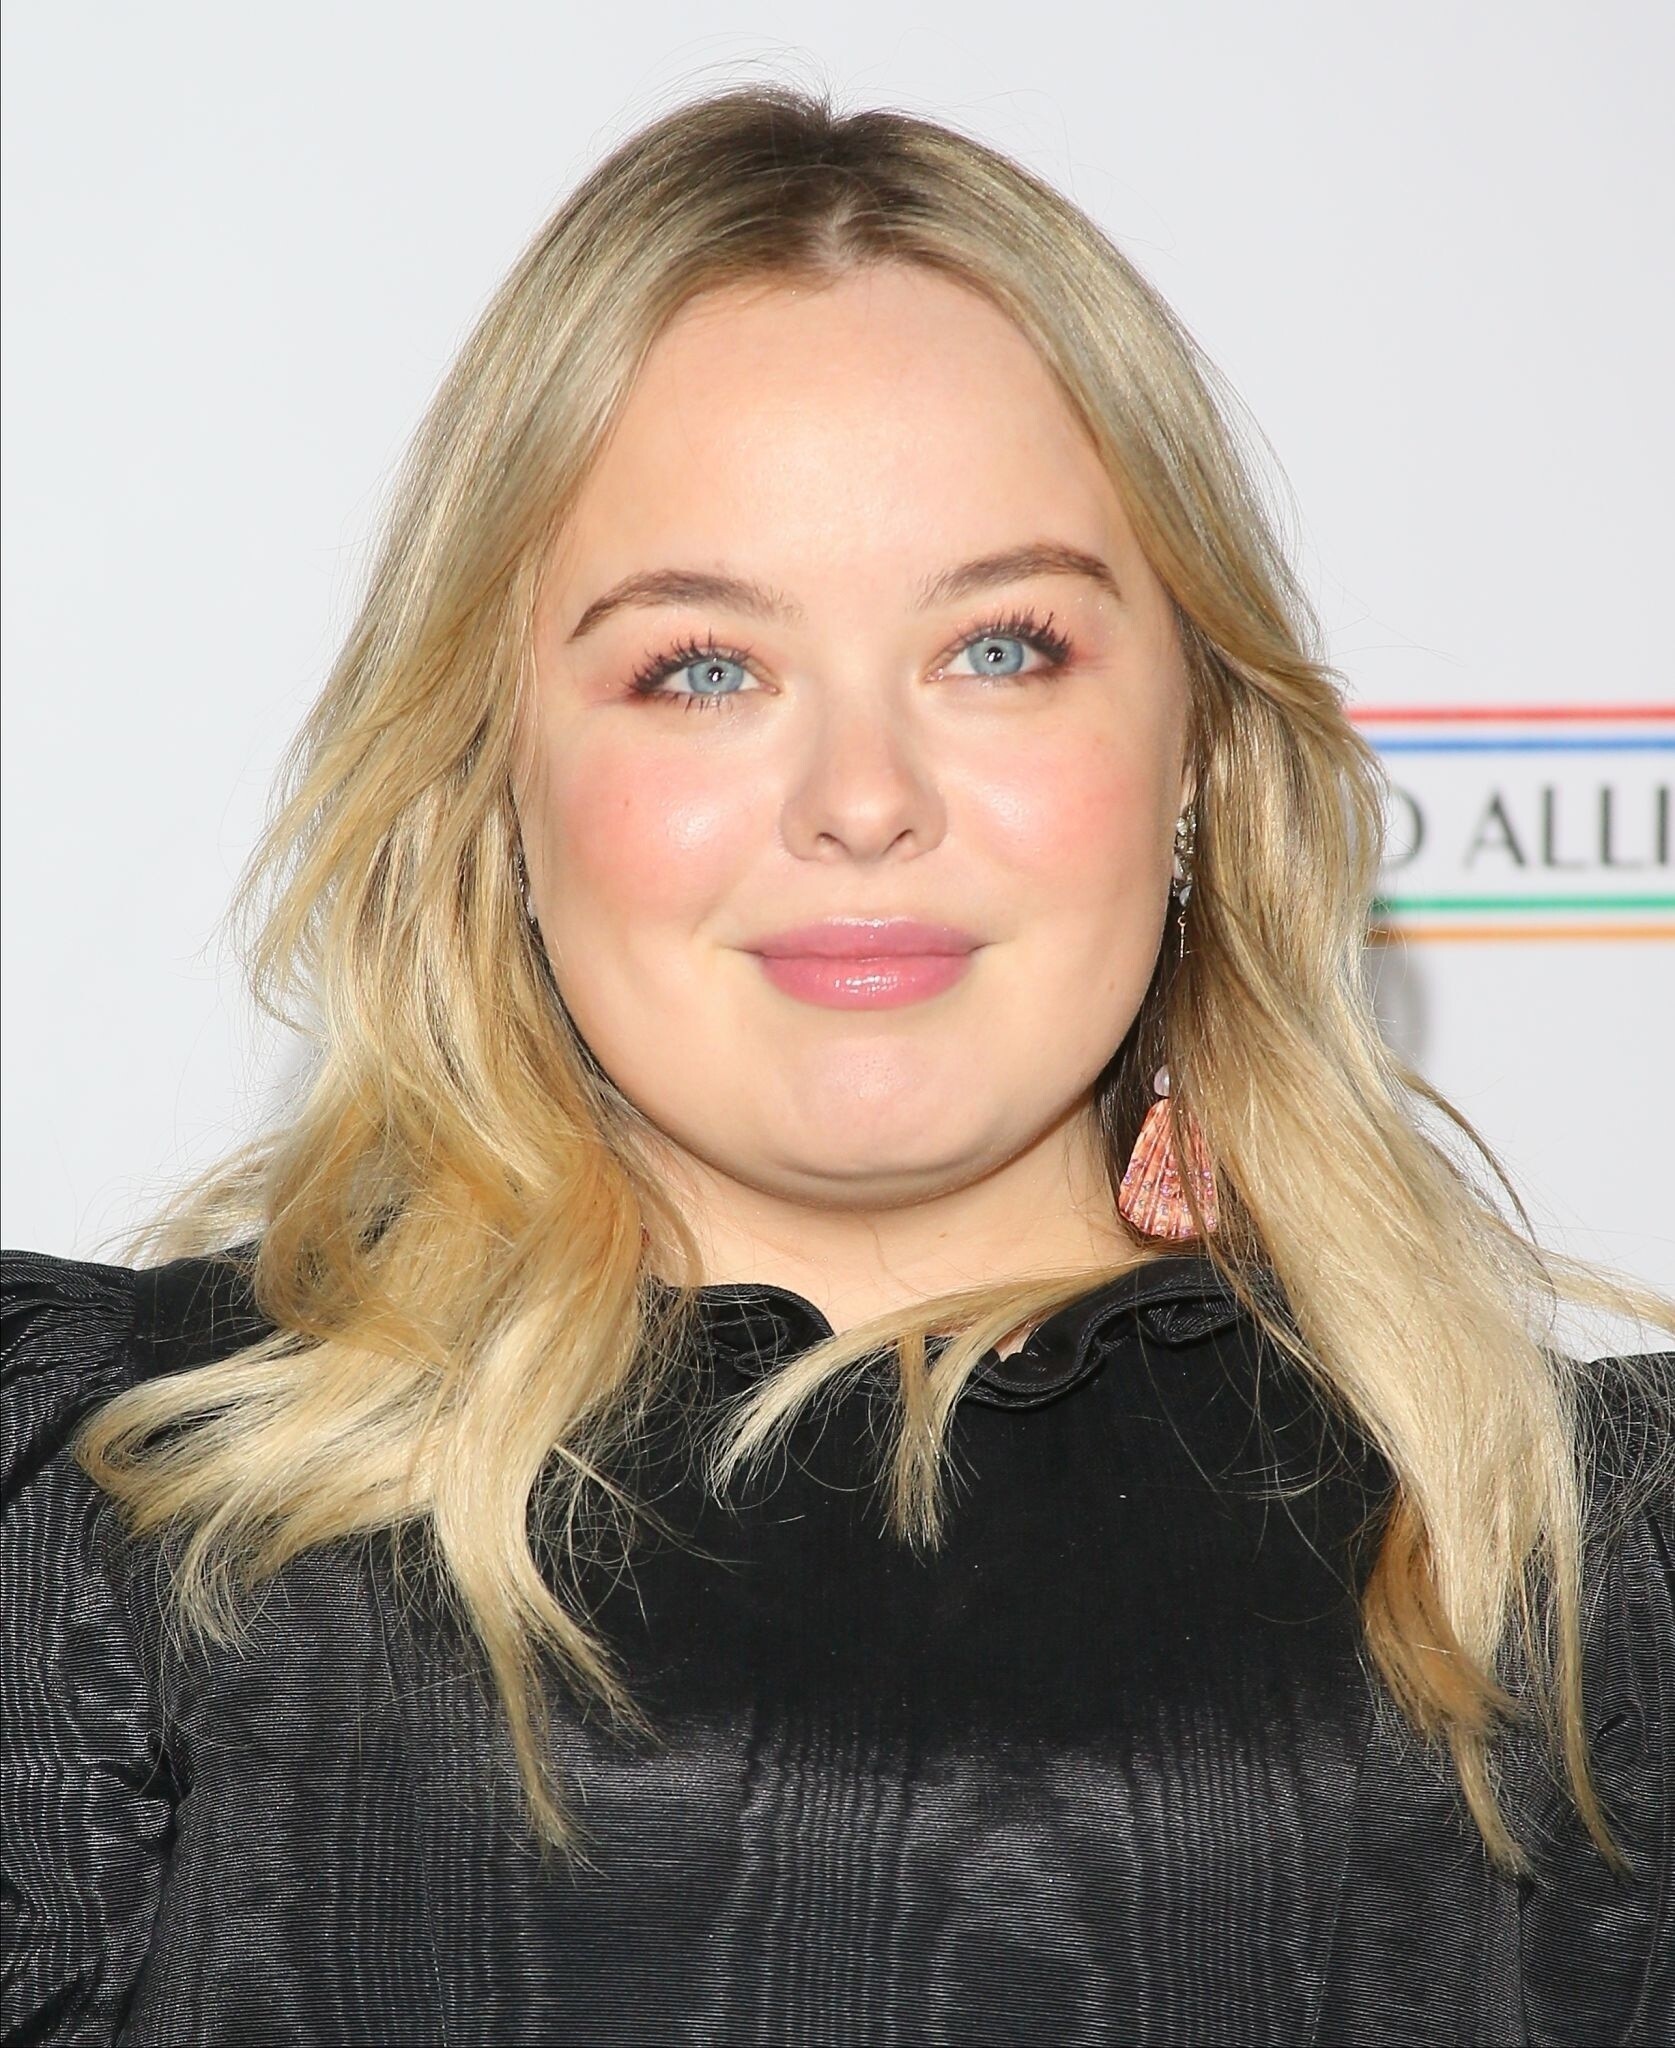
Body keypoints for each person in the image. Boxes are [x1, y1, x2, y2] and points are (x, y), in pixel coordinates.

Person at [3, 83, 1671, 2048]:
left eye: (1000, 649)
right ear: (498, 787)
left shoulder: (1590, 1572)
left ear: (1201, 756)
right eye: (703, 668)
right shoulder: (99, 1521)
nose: (863, 797)